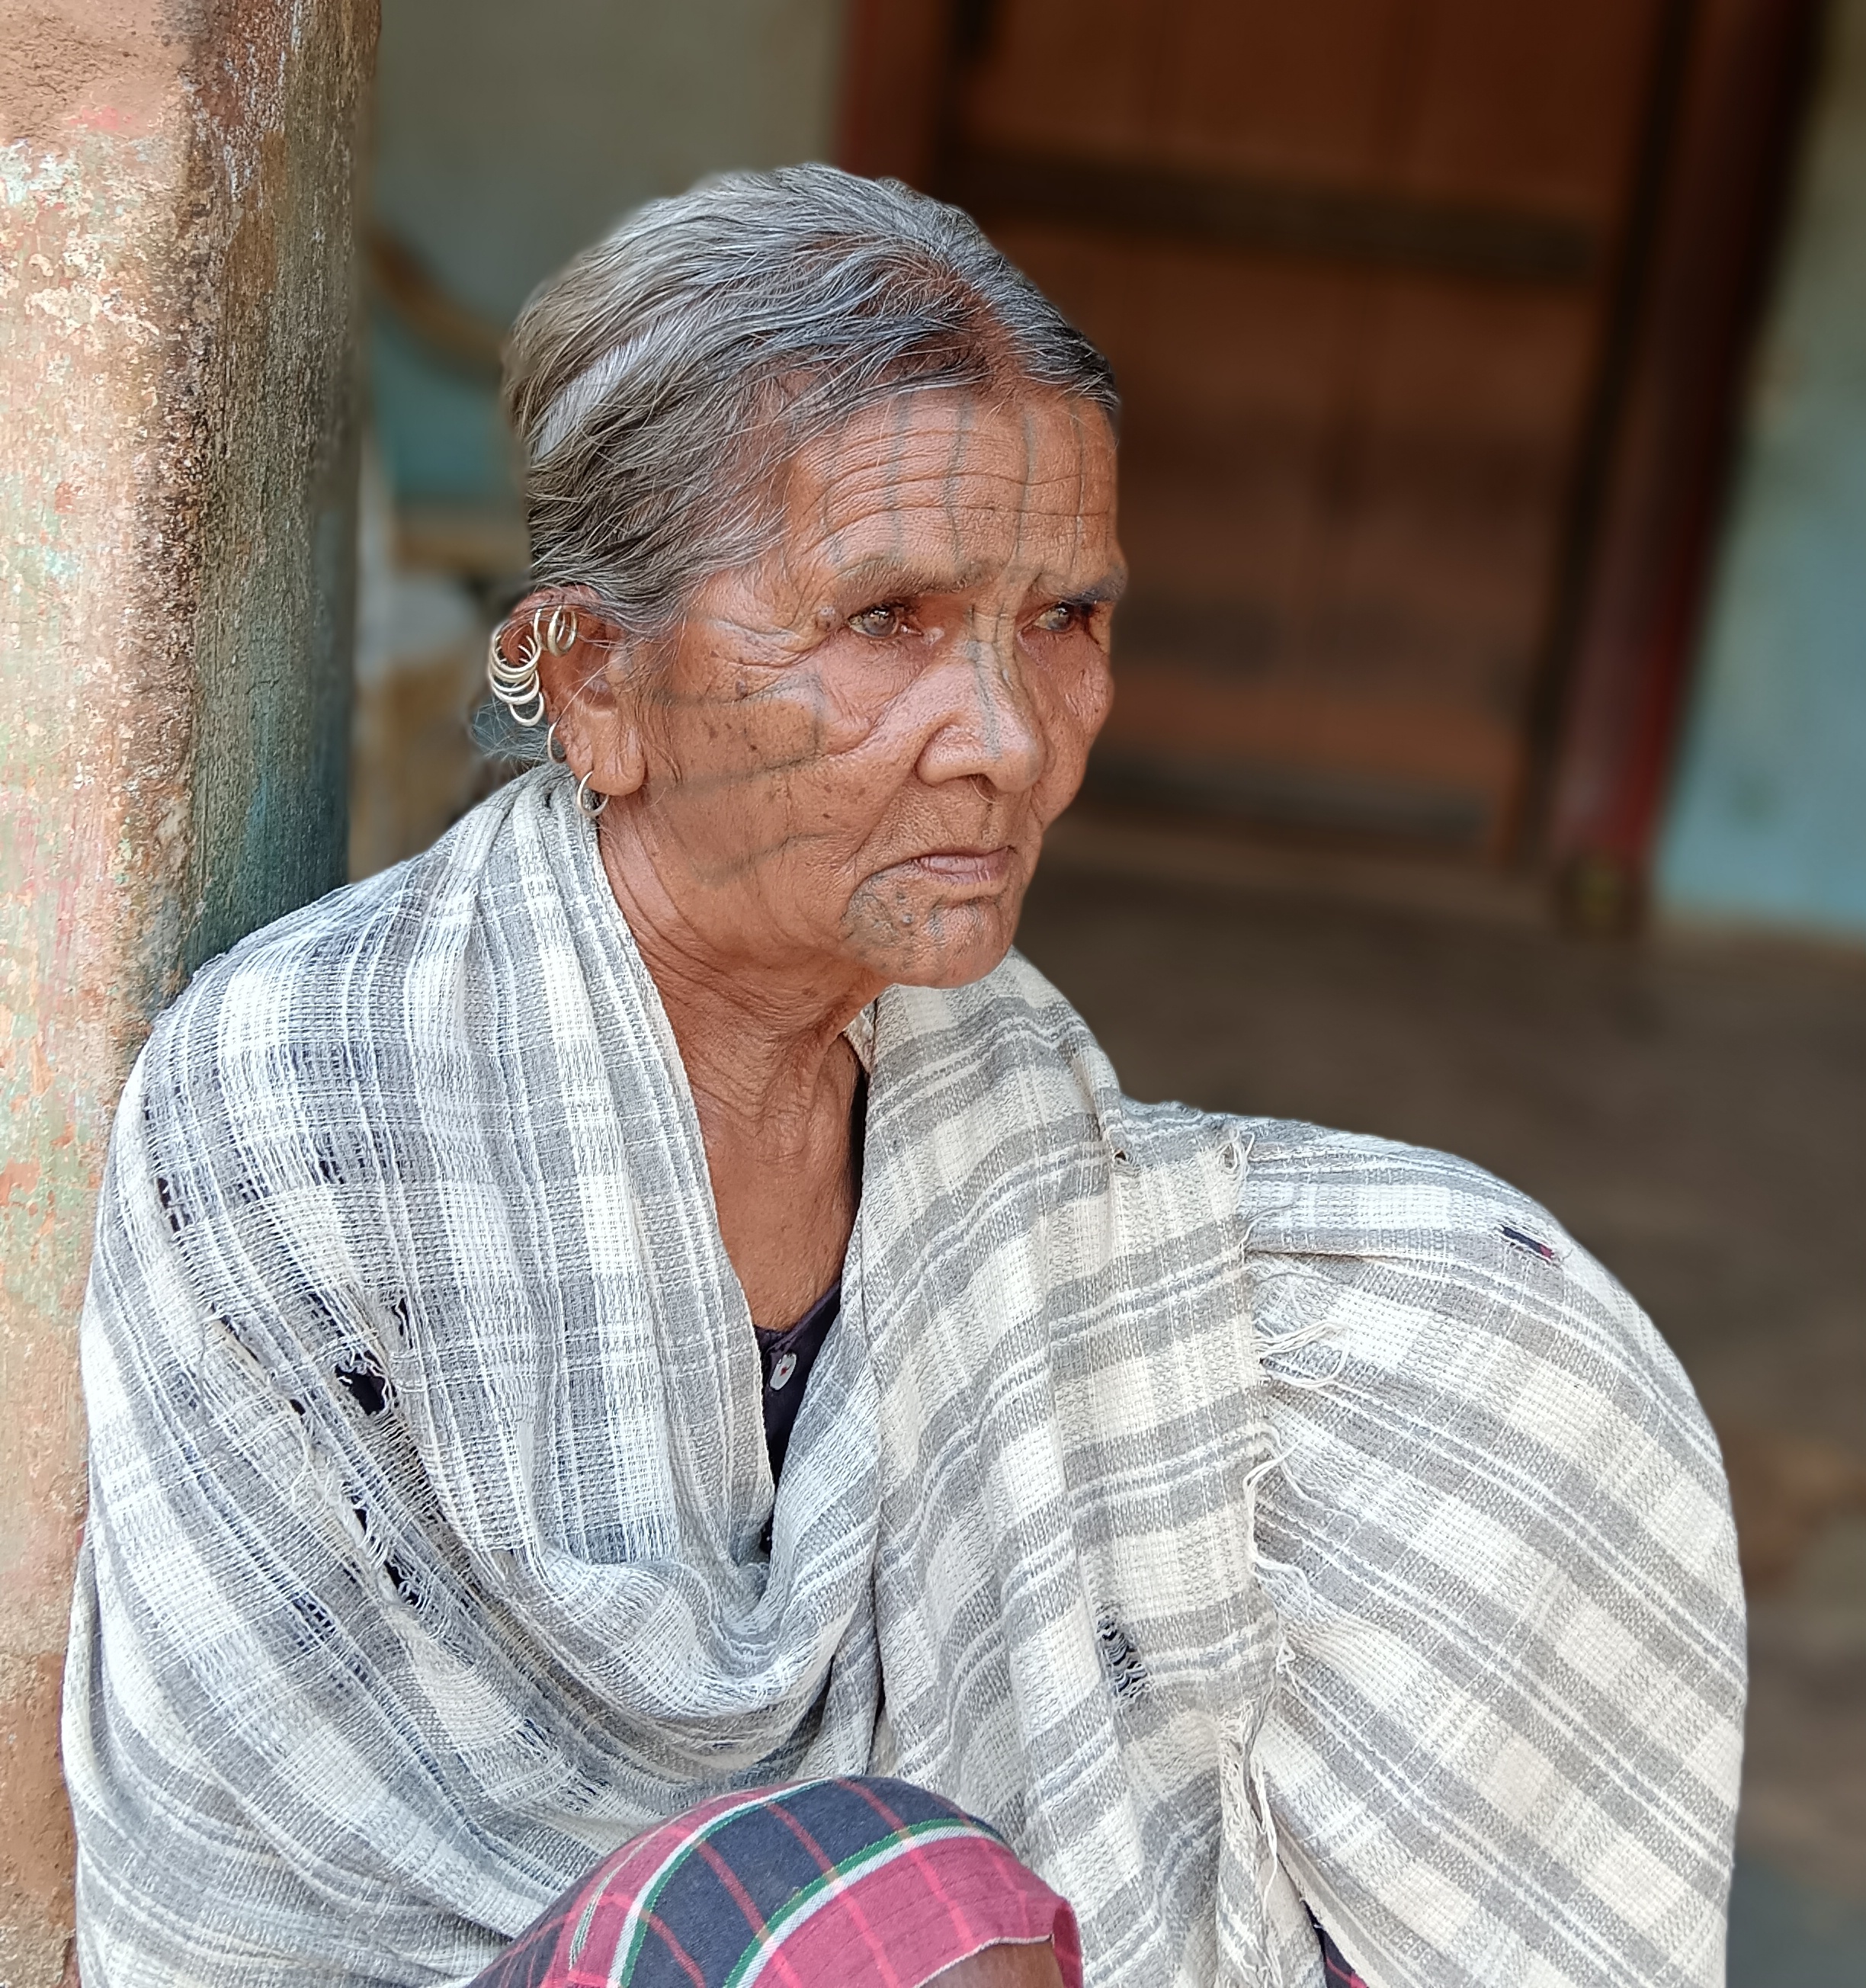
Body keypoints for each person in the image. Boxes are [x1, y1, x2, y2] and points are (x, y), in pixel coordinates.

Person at [65, 166, 1743, 1988]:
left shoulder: (989, 1061)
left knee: (1504, 1373)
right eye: (890, 623)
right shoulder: (300, 1103)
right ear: (596, 680)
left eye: (1066, 622)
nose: (1011, 745)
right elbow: (304, 1851)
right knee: (894, 1911)